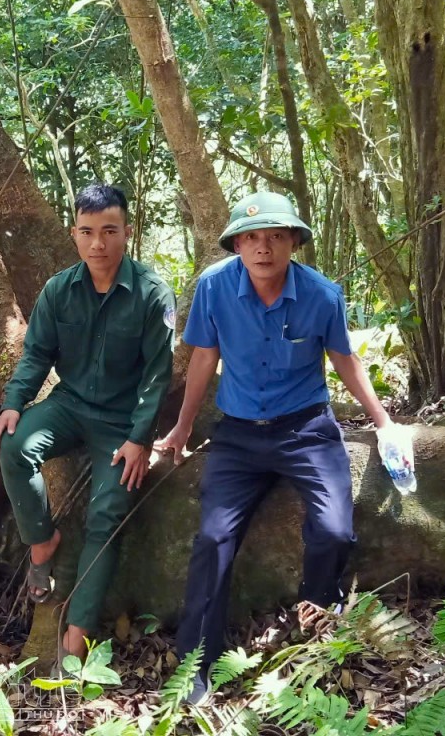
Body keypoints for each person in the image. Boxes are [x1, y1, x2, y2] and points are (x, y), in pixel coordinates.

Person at [155, 191, 397, 704]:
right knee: (213, 538)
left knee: (334, 530)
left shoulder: (322, 294)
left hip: (306, 428)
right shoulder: (215, 288)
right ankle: (198, 663)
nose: (263, 247)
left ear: (293, 242)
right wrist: (181, 427)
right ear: (237, 244)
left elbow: (345, 358)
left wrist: (383, 422)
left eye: (275, 236)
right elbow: (203, 358)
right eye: (252, 237)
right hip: (239, 434)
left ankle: (316, 615)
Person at [0, 184, 176, 661]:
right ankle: (41, 543)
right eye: (88, 232)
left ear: (126, 234)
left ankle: (77, 634)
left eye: (109, 231)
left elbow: (158, 376)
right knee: (14, 446)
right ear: (75, 235)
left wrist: (140, 439)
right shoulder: (59, 290)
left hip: (121, 422)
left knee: (106, 514)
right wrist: (16, 402)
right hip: (70, 406)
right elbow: (36, 355)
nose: (99, 243)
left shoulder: (152, 294)